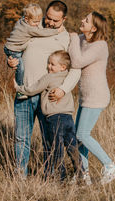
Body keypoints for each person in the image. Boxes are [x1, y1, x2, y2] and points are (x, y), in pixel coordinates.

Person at [7, 0, 81, 178]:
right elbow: (16, 47)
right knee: (21, 138)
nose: (50, 23)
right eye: (48, 18)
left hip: (49, 98)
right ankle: (20, 177)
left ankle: (51, 176)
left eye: (55, 21)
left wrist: (63, 89)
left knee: (50, 140)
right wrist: (11, 61)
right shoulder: (33, 28)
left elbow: (76, 69)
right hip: (25, 93)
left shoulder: (68, 38)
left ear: (64, 19)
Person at [68, 11, 115, 185]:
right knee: (78, 137)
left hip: (97, 96)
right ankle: (84, 175)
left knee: (82, 134)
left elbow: (77, 61)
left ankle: (110, 166)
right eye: (83, 17)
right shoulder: (83, 40)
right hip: (86, 96)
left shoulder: (100, 46)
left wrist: (74, 39)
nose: (82, 20)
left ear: (94, 27)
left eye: (86, 20)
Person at [15, 50, 82, 181]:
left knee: (56, 149)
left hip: (54, 118)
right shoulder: (67, 78)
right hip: (68, 118)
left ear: (62, 67)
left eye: (52, 64)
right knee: (72, 147)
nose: (48, 66)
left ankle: (60, 178)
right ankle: (81, 173)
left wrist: (19, 88)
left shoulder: (49, 77)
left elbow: (34, 89)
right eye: (48, 63)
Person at [4, 3, 62, 100]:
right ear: (26, 19)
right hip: (14, 50)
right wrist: (56, 31)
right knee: (20, 69)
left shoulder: (22, 21)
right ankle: (20, 91)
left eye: (39, 21)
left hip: (13, 48)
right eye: (35, 22)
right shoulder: (28, 28)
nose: (37, 24)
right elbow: (41, 32)